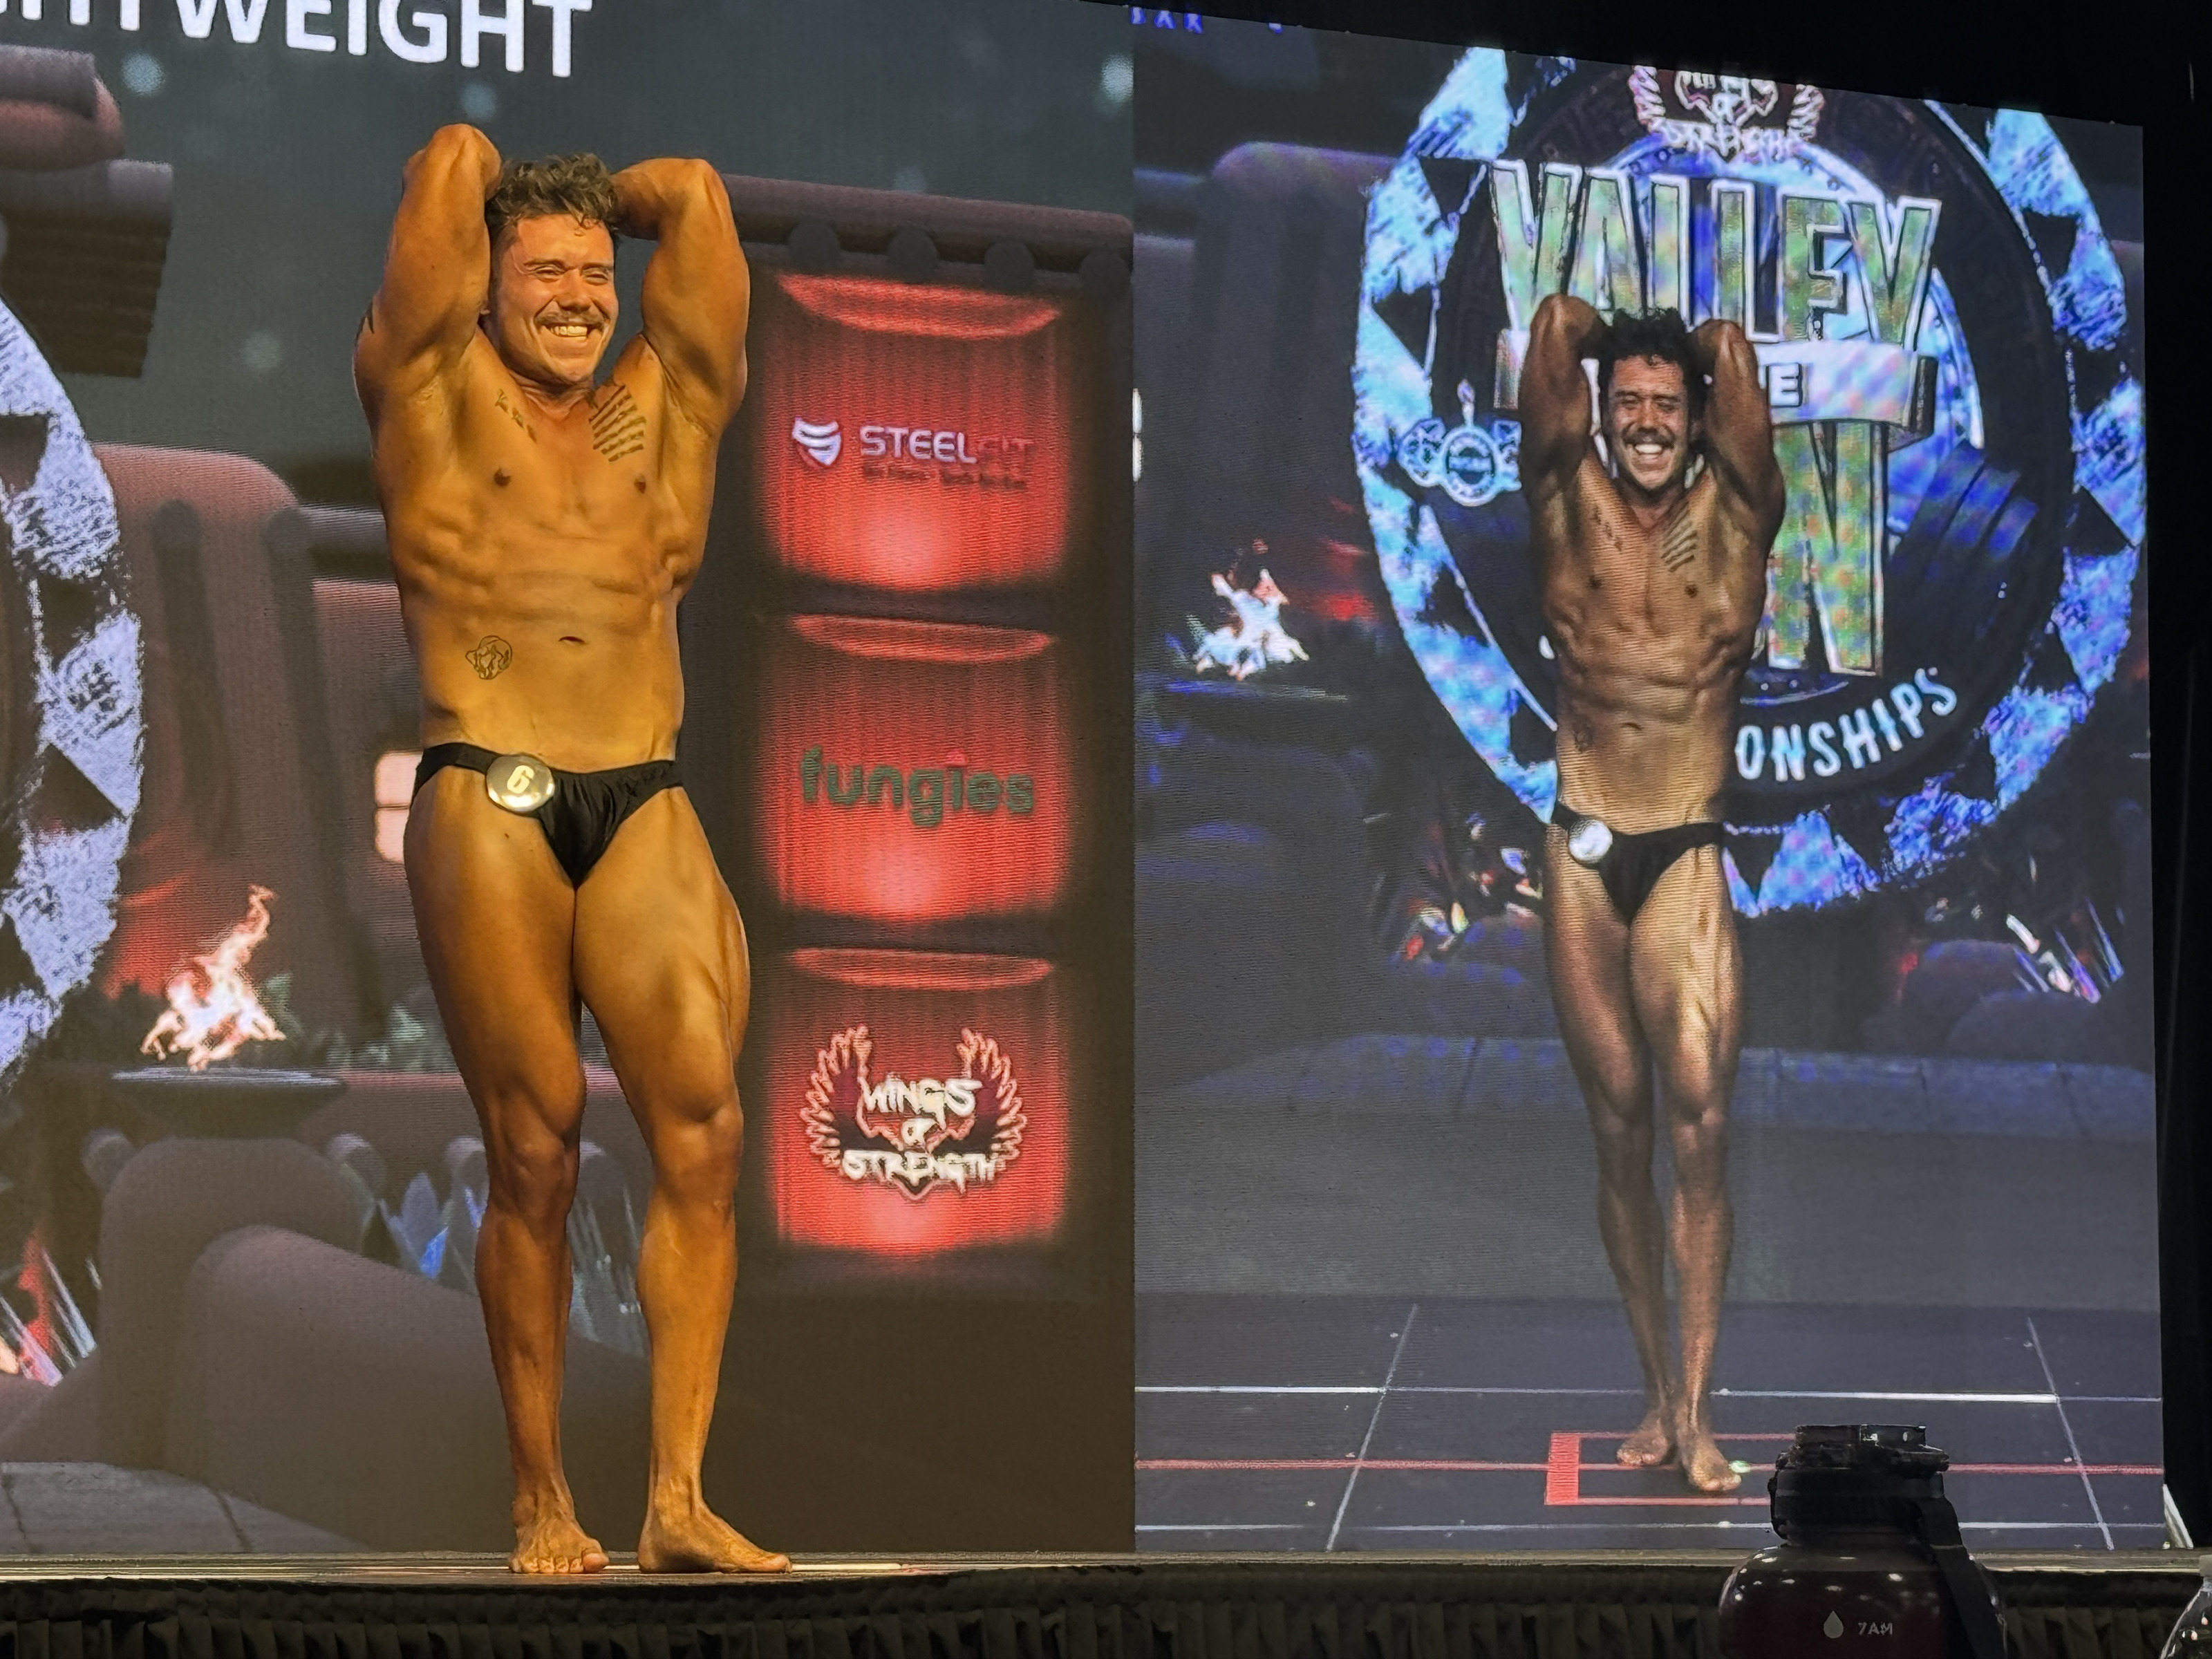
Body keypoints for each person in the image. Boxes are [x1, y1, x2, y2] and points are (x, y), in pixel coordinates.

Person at [355, 126, 787, 1574]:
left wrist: (597, 210)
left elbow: (701, 199)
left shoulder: (663, 405)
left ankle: (676, 1500)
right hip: (492, 787)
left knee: (706, 1129)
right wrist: (513, 199)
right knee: (534, 1147)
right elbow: (451, 159)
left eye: (597, 276)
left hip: (643, 793)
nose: (580, 299)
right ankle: (542, 1498)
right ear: (486, 284)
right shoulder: (431, 383)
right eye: (545, 273)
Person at [1518, 294, 1785, 1494]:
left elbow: (1728, 355)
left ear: (1698, 417)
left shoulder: (1741, 513)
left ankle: (1700, 1409)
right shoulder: (1562, 494)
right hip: (1582, 848)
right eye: (1625, 402)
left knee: (1700, 1130)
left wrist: (1684, 349)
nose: (1644, 423)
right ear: (1597, 410)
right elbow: (1551, 326)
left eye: (1666, 406)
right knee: (1618, 1129)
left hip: (1681, 846)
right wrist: (1612, 344)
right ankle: (1654, 1390)